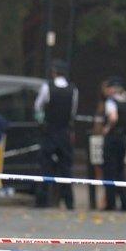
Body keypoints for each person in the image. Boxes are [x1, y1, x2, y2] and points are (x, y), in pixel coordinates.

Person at [34, 59, 78, 209]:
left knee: (45, 166)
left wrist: (41, 121)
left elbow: (38, 106)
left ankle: (42, 200)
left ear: (54, 72)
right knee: (66, 167)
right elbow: (72, 112)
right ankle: (69, 201)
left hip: (50, 131)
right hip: (64, 132)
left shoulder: (47, 87)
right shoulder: (73, 90)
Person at [102, 78, 126, 211]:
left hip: (112, 139)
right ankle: (125, 203)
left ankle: (110, 203)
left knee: (109, 171)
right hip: (123, 139)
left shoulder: (111, 102)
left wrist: (107, 128)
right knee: (120, 171)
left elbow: (113, 117)